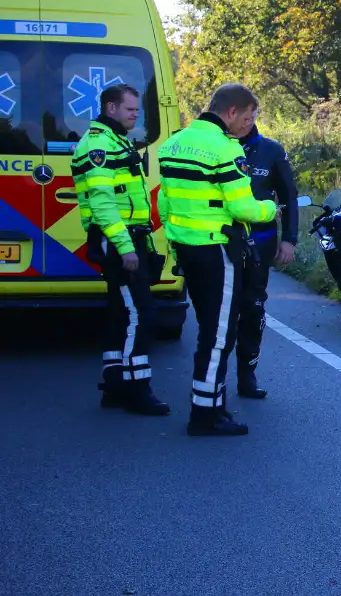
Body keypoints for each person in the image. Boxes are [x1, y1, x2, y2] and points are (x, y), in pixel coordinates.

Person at [157, 83, 277, 436]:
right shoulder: (225, 149)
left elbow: (165, 203)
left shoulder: (173, 143)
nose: (249, 124)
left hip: (187, 249)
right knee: (219, 335)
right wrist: (272, 208)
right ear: (231, 112)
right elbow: (243, 207)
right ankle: (205, 414)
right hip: (219, 252)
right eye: (249, 115)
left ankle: (213, 405)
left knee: (208, 330)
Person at [72, 83, 170, 416]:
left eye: (136, 110)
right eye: (130, 110)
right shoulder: (99, 145)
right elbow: (103, 205)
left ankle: (114, 385)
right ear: (110, 108)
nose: (135, 115)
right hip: (119, 241)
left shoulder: (116, 141)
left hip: (127, 238)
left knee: (120, 313)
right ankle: (136, 389)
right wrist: (126, 248)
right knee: (141, 313)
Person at [232, 121, 298, 399]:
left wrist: (289, 239)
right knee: (223, 311)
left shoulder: (271, 150)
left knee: (253, 308)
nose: (244, 121)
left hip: (261, 243)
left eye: (249, 115)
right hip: (225, 242)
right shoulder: (217, 146)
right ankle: (212, 379)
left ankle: (247, 374)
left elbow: (289, 196)